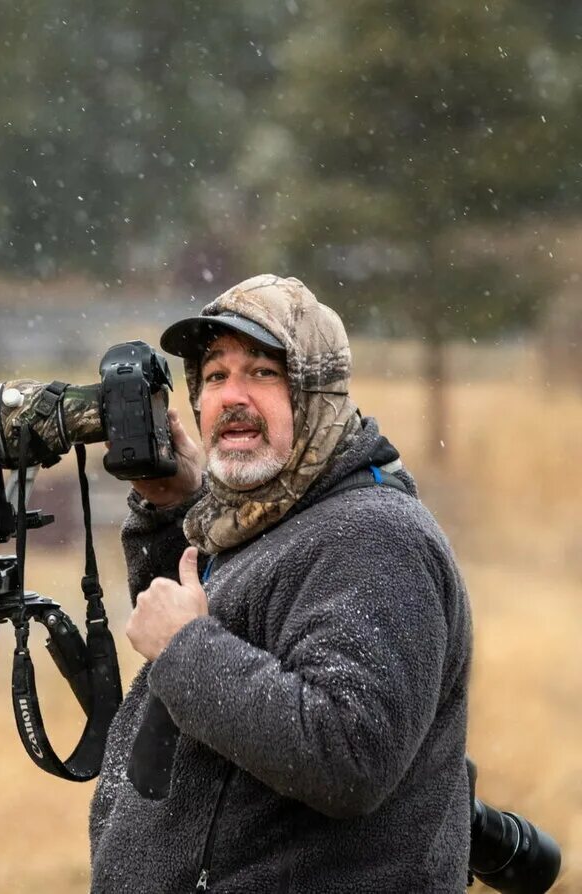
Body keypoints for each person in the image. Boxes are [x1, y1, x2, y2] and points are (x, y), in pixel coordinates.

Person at [89, 274, 473, 892]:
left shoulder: (372, 537)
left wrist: (185, 650)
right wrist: (174, 512)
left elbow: (348, 754)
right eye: (214, 376)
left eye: (262, 373)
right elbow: (222, 676)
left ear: (317, 391)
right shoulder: (270, 518)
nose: (232, 396)